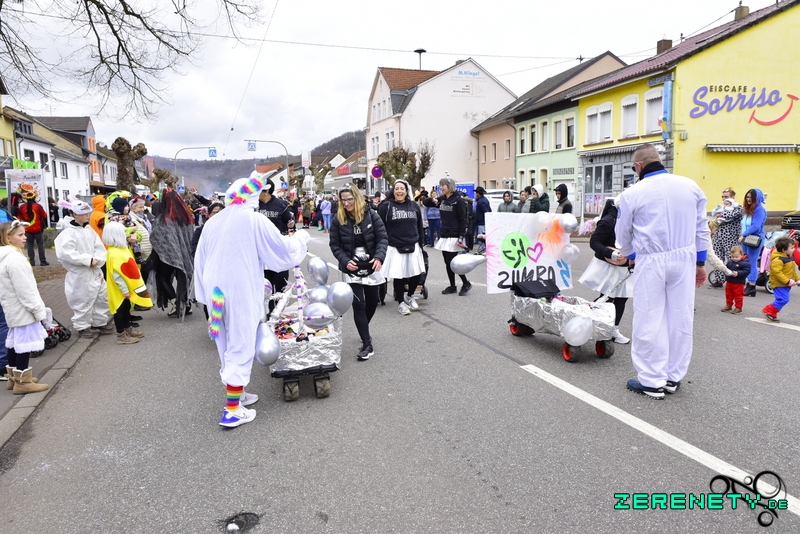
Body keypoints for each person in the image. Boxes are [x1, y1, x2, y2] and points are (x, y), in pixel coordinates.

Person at [194, 174, 309, 428]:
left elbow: (200, 259)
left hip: (215, 290)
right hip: (239, 289)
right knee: (241, 341)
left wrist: (202, 293)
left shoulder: (214, 221)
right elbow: (282, 250)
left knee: (225, 342)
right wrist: (300, 239)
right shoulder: (253, 219)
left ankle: (239, 393)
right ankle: (232, 410)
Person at [615, 144, 709, 400]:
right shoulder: (690, 186)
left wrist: (631, 255)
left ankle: (651, 380)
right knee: (680, 316)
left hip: (651, 259)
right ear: (659, 160)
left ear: (638, 166)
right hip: (684, 256)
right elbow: (702, 228)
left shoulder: (632, 193)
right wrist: (700, 262)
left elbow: (623, 232)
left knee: (649, 317)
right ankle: (672, 376)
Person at [329, 185, 387, 360]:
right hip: (351, 269)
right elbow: (335, 245)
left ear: (357, 198)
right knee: (358, 305)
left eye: (349, 199)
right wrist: (345, 261)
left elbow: (382, 238)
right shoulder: (338, 219)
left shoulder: (372, 215)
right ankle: (367, 343)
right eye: (343, 200)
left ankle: (364, 328)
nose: (346, 203)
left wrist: (379, 257)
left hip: (371, 266)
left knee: (372, 302)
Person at [54, 196, 114, 338]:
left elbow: (98, 247)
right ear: (75, 214)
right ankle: (82, 326)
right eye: (84, 214)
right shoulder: (68, 232)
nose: (88, 216)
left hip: (95, 270)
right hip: (80, 272)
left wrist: (98, 259)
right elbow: (66, 253)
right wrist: (87, 260)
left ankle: (99, 322)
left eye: (88, 213)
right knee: (82, 299)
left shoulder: (88, 230)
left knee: (101, 296)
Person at [0, 220, 49, 394]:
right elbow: (25, 289)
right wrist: (37, 310)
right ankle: (23, 382)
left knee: (14, 343)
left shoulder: (5, 257)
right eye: (20, 235)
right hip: (22, 308)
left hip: (11, 307)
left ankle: (13, 377)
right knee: (24, 344)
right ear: (8, 237)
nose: (25, 237)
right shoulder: (15, 258)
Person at [578, 198, 632, 344]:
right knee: (607, 297)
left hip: (624, 265)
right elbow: (594, 242)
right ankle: (586, 320)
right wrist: (610, 253)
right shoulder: (608, 221)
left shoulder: (629, 219)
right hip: (609, 265)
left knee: (622, 297)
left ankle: (613, 328)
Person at [377, 179, 426, 315]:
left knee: (416, 274)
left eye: (402, 188)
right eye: (397, 188)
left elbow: (419, 226)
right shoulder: (386, 206)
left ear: (406, 191)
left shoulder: (413, 205)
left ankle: (409, 296)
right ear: (393, 191)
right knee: (399, 276)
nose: (399, 191)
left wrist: (421, 244)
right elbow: (380, 227)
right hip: (394, 246)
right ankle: (401, 303)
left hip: (413, 244)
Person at [147, 189, 195, 320]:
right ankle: (186, 303)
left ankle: (175, 303)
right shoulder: (187, 218)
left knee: (162, 277)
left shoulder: (163, 219)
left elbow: (156, 236)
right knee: (182, 277)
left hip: (167, 254)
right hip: (184, 254)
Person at [102, 222, 152, 344]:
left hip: (124, 288)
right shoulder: (115, 253)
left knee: (126, 309)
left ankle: (127, 328)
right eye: (124, 232)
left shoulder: (119, 250)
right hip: (120, 290)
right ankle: (121, 335)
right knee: (119, 311)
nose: (126, 234)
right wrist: (124, 290)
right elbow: (117, 275)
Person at [424, 177, 471, 295]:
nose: (441, 188)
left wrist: (461, 237)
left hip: (454, 235)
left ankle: (466, 283)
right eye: (440, 185)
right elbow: (425, 202)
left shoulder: (458, 200)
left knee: (452, 262)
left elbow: (463, 220)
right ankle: (452, 286)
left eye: (443, 185)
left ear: (450, 186)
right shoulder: (442, 199)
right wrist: (433, 200)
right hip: (444, 234)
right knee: (447, 262)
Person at [709, 189, 742, 287]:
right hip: (718, 236)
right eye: (722, 197)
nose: (724, 199)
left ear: (732, 197)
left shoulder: (737, 207)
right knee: (717, 257)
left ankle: (735, 279)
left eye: (726, 196)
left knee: (733, 257)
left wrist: (720, 214)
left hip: (730, 237)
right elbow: (714, 216)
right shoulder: (721, 207)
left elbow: (733, 214)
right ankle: (719, 279)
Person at [762, 237, 799, 322]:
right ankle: (768, 310)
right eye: (791, 248)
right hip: (778, 284)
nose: (794, 249)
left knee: (780, 299)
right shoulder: (778, 260)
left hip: (786, 284)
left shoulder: (789, 257)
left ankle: (772, 314)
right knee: (784, 299)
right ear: (783, 250)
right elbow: (777, 273)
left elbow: (793, 271)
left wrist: (797, 279)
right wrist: (788, 281)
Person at [738, 188, 767, 297]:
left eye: (751, 197)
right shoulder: (748, 209)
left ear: (757, 198)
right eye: (747, 197)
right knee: (746, 262)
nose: (748, 199)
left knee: (751, 262)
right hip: (745, 239)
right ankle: (748, 284)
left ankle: (751, 286)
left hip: (754, 239)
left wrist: (744, 234)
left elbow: (756, 226)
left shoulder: (759, 210)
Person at [16, 193, 49, 266]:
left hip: (27, 229)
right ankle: (43, 261)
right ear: (34, 198)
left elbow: (19, 217)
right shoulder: (38, 206)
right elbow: (44, 215)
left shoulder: (22, 206)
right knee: (40, 245)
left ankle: (31, 261)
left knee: (30, 246)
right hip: (37, 229)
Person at [721, 245, 749, 314]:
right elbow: (726, 268)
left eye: (736, 257)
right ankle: (729, 305)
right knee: (728, 294)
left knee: (738, 295)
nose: (734, 258)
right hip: (730, 281)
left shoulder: (745, 263)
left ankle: (738, 307)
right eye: (732, 257)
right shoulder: (730, 262)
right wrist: (726, 271)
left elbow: (746, 271)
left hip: (739, 282)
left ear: (741, 255)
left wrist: (738, 273)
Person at [473, 186, 491, 255]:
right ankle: (484, 249)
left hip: (481, 222)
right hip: (484, 221)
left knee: (482, 237)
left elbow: (485, 211)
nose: (475, 194)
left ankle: (484, 250)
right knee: (484, 237)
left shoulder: (480, 202)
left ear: (478, 193)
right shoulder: (485, 200)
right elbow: (489, 210)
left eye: (476, 193)